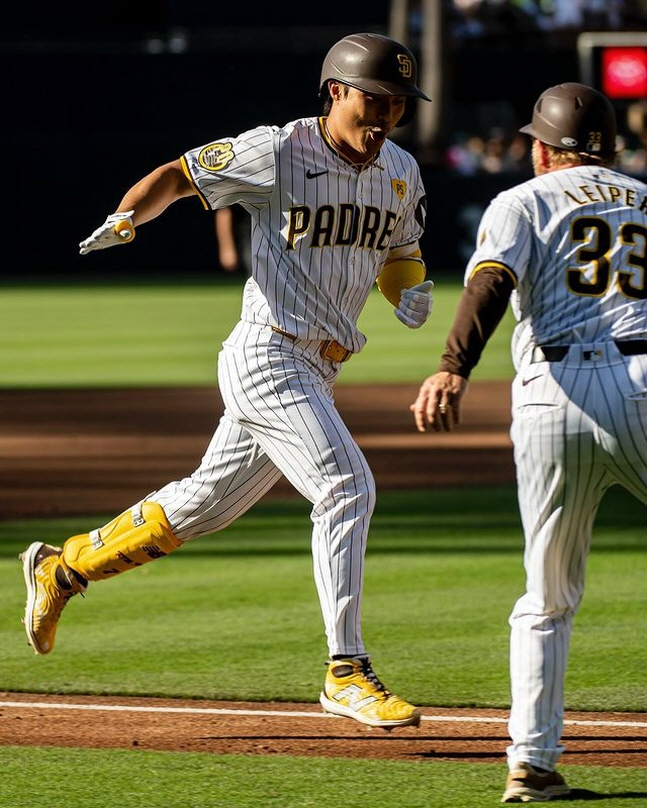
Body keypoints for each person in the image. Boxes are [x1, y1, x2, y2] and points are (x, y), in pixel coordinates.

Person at [20, 32, 434, 730]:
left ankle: (63, 567)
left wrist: (408, 288)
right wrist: (129, 213)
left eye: (396, 102)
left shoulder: (400, 169)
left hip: (318, 368)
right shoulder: (277, 150)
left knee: (202, 507)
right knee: (346, 486)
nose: (385, 113)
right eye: (373, 97)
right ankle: (345, 671)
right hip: (266, 353)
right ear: (334, 91)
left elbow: (400, 249)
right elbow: (179, 175)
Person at [410, 82, 647, 800]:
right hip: (641, 382)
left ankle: (531, 763)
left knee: (544, 597)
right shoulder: (641, 198)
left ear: (541, 147)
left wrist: (453, 368)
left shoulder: (522, 199)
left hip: (551, 397)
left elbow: (489, 280)